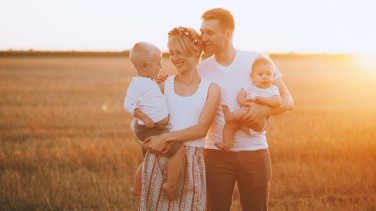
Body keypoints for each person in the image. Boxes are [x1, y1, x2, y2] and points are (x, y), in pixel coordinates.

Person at [198, 8, 294, 211]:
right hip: (216, 155)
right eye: (202, 32)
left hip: (255, 153)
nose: (203, 38)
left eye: (209, 32)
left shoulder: (257, 60)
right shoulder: (201, 69)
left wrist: (264, 111)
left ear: (228, 34)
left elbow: (287, 101)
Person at [138, 26, 220, 210]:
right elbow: (139, 113)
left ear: (195, 51)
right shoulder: (163, 85)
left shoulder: (211, 89)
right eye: (172, 53)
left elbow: (201, 129)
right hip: (161, 156)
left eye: (180, 52)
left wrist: (166, 136)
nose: (174, 58)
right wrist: (149, 85)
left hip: (191, 160)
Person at [123, 42, 184, 198]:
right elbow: (128, 103)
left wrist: (155, 83)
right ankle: (170, 185)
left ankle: (138, 188)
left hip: (157, 127)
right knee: (178, 149)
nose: (160, 67)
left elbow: (151, 97)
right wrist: (144, 117)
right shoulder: (137, 84)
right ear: (144, 66)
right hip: (151, 128)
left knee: (151, 160)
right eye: (158, 63)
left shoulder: (148, 82)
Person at [216, 56, 282, 151]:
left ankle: (231, 115)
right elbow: (240, 95)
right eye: (260, 74)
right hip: (243, 122)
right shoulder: (249, 86)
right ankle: (227, 143)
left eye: (268, 74)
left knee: (246, 109)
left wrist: (263, 101)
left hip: (259, 122)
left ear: (274, 76)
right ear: (252, 77)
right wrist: (243, 101)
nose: (265, 77)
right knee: (230, 125)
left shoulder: (272, 89)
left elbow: (278, 101)